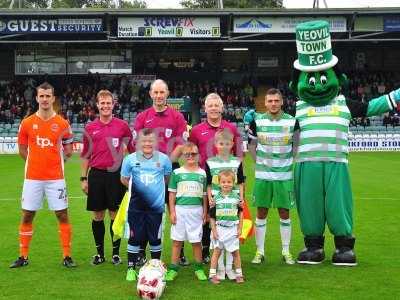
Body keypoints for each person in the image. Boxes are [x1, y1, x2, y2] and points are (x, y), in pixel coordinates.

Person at [10, 82, 75, 268]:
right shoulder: (27, 123)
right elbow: (22, 149)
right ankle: (23, 257)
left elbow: (69, 150)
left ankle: (67, 256)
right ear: (37, 98)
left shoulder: (63, 123)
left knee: (62, 215)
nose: (45, 99)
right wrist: (36, 163)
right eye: (42, 96)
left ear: (53, 98)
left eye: (48, 96)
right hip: (32, 178)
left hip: (56, 179)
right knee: (27, 215)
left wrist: (57, 163)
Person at [133, 79, 188, 266]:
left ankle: (179, 253)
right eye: (155, 92)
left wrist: (165, 163)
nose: (158, 96)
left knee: (175, 210)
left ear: (167, 94)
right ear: (150, 94)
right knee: (145, 211)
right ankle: (141, 251)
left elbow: (181, 144)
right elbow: (137, 144)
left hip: (170, 169)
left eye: (161, 92)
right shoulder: (142, 117)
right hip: (146, 172)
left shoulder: (177, 117)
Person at [80, 89, 134, 265]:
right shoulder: (90, 128)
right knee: (98, 215)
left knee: (114, 214)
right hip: (96, 175)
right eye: (102, 103)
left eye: (108, 103)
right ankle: (99, 253)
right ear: (97, 105)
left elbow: (132, 151)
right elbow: (86, 155)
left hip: (115, 175)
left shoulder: (122, 126)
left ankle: (115, 254)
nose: (105, 106)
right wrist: (83, 178)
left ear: (113, 105)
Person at [189, 93, 243, 264]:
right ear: (205, 108)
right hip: (204, 179)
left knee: (225, 212)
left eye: (216, 105)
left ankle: (228, 248)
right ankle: (207, 248)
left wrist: (240, 186)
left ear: (221, 107)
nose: (213, 108)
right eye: (210, 105)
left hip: (227, 182)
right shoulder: (197, 130)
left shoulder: (231, 129)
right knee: (205, 213)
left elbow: (239, 156)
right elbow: (191, 154)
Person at [247, 88, 296, 265]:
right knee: (261, 212)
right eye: (270, 101)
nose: (273, 104)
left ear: (282, 102)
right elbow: (251, 146)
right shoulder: (257, 121)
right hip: (263, 175)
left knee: (284, 212)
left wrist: (288, 162)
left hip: (284, 175)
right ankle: (260, 251)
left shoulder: (292, 121)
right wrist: (261, 162)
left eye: (276, 100)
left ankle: (286, 250)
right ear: (265, 103)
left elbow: (296, 145)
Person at [120, 128, 172, 281]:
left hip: (156, 208)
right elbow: (124, 179)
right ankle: (131, 268)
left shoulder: (164, 159)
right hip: (136, 208)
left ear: (156, 142)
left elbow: (166, 179)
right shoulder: (129, 159)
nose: (147, 143)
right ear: (138, 142)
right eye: (144, 141)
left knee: (155, 239)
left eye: (151, 141)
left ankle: (156, 268)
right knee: (134, 238)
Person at [205, 129, 245, 280]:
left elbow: (240, 182)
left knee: (232, 237)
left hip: (233, 202)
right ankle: (220, 269)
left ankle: (230, 269)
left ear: (232, 144)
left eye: (227, 143)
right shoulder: (210, 162)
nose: (224, 146)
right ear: (216, 144)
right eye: (221, 143)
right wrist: (210, 199)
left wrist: (241, 198)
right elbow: (208, 184)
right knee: (218, 241)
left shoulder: (237, 162)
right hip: (218, 203)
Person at [165, 142, 208, 282]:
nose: (190, 156)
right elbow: (171, 194)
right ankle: (173, 269)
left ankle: (199, 268)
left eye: (193, 154)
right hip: (180, 211)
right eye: (187, 154)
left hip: (196, 211)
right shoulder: (177, 173)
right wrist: (172, 212)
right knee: (177, 242)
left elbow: (204, 195)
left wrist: (205, 212)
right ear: (183, 156)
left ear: (198, 155)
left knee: (196, 241)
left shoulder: (202, 173)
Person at [209, 170, 244, 284]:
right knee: (217, 251)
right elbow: (212, 216)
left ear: (233, 183)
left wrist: (240, 228)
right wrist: (214, 230)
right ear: (219, 183)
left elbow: (241, 213)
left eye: (229, 182)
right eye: (223, 182)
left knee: (235, 252)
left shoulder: (237, 199)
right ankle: (212, 275)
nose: (226, 184)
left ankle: (239, 274)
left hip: (232, 229)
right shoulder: (215, 199)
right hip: (219, 229)